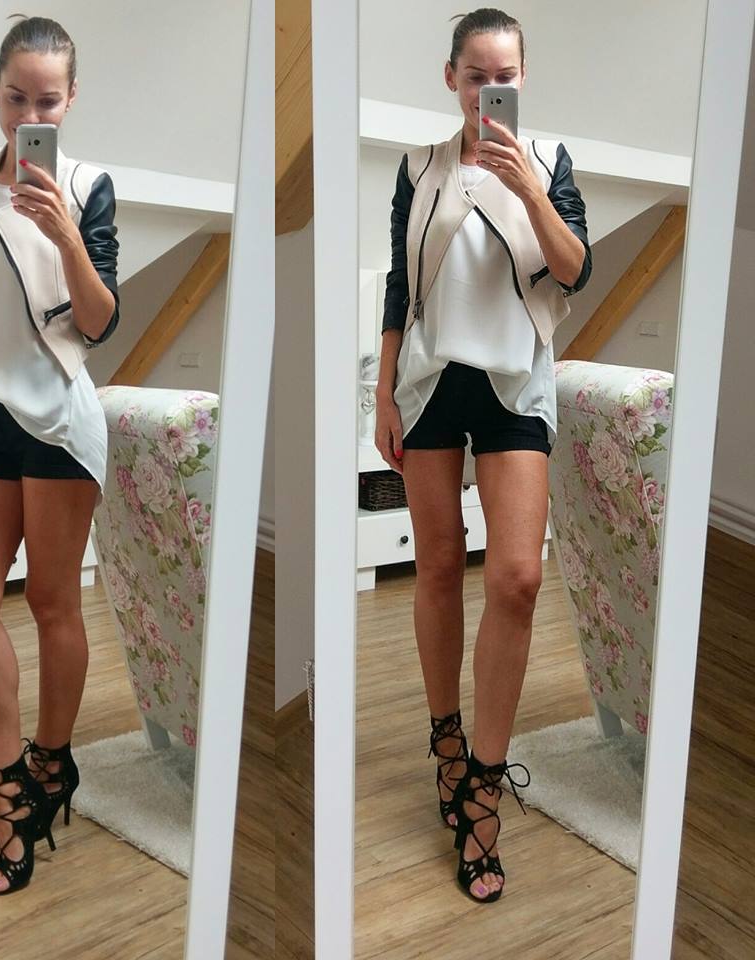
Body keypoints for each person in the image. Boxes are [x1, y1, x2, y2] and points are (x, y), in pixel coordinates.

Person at [374, 7, 592, 904]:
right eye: (475, 76)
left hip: (514, 382)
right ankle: (446, 742)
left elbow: (574, 270)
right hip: (429, 381)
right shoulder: (417, 168)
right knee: (435, 567)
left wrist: (528, 189)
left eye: (504, 77)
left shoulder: (549, 162)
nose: (488, 91)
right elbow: (401, 285)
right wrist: (381, 391)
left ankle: (484, 790)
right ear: (452, 78)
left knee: (517, 579)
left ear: (521, 79)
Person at [0, 15, 120, 896]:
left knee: (50, 601)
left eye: (47, 100)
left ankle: (53, 760)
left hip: (57, 421)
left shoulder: (87, 186)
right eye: (16, 97)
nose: (29, 115)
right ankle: (11, 789)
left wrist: (66, 234)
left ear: (70, 100)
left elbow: (99, 322)